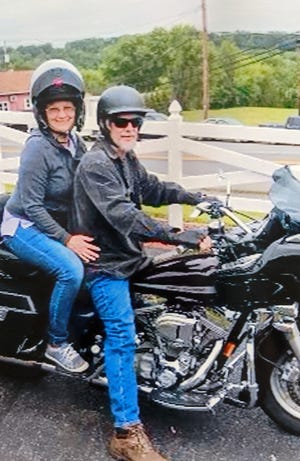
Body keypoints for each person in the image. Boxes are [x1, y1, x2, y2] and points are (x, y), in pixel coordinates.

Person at [71, 84, 220, 461]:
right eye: (121, 121)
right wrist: (178, 235)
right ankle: (126, 432)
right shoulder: (96, 164)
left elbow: (152, 188)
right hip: (105, 264)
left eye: (135, 121)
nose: (130, 127)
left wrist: (194, 197)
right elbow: (125, 215)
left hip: (129, 256)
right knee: (121, 335)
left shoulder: (124, 158)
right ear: (105, 124)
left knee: (183, 288)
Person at [0, 59, 100, 373]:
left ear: (77, 110)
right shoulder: (37, 148)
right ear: (42, 113)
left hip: (53, 224)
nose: (62, 115)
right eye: (54, 110)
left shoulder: (75, 143)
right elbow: (31, 206)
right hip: (23, 226)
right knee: (70, 268)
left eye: (67, 108)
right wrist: (68, 239)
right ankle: (57, 342)